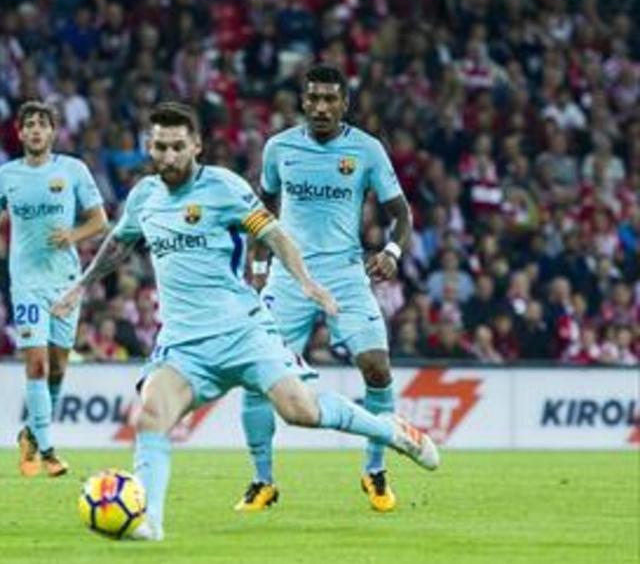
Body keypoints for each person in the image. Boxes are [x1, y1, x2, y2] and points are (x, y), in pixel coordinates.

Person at [52, 102, 437, 541]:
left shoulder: (225, 188)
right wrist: (80, 285)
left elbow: (273, 233)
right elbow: (119, 244)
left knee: (301, 411)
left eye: (178, 146)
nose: (169, 156)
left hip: (244, 332)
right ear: (148, 146)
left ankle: (390, 430)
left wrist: (306, 282)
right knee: (150, 417)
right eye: (160, 146)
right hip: (184, 344)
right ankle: (151, 521)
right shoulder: (144, 196)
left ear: (196, 146)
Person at [240, 64, 415, 513]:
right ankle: (262, 480)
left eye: (329, 99)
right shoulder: (279, 148)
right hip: (288, 275)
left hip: (344, 274)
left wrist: (392, 252)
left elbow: (402, 213)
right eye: (313, 98)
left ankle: (375, 471)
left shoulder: (367, 150)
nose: (320, 106)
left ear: (344, 104)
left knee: (377, 368)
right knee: (259, 377)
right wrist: (258, 268)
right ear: (302, 101)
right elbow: (263, 212)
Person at [0, 101, 108, 477]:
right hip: (26, 283)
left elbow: (100, 221)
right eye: (30, 125)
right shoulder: (7, 175)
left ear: (53, 132)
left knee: (58, 368)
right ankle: (48, 450)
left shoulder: (73, 170)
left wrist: (73, 235)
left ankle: (30, 433)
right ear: (20, 132)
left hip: (66, 283)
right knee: (37, 364)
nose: (36, 130)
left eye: (43, 124)